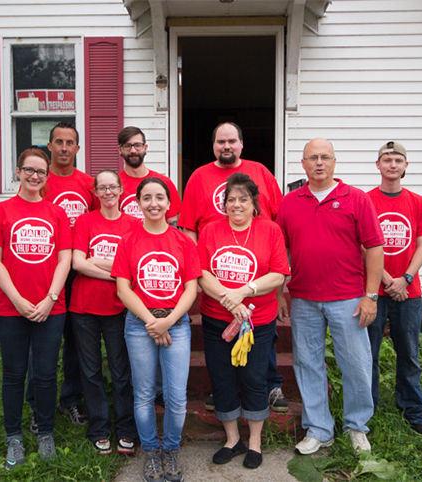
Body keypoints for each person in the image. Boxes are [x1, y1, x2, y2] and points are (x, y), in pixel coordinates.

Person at [276, 138, 384, 455]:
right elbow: (281, 248)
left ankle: (356, 427)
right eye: (313, 158)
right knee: (308, 364)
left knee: (356, 365)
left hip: (349, 298)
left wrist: (371, 296)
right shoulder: (290, 201)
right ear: (303, 164)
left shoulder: (356, 199)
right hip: (304, 299)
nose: (319, 163)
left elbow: (375, 249)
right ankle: (319, 429)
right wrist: (282, 288)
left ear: (334, 162)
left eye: (325, 157)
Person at [178, 121, 288, 414]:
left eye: (232, 141)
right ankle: (224, 389)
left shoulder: (260, 172)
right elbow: (189, 228)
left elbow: (276, 221)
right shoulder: (199, 177)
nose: (226, 146)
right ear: (213, 145)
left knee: (263, 336)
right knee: (218, 343)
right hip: (214, 272)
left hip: (258, 272)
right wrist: (196, 275)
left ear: (241, 144)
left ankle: (270, 385)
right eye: (220, 141)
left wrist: (278, 289)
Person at [0, 148, 71, 469]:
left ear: (47, 177)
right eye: (29, 170)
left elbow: (65, 259)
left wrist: (51, 298)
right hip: (9, 308)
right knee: (14, 375)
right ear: (18, 172)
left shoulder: (56, 213)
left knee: (45, 375)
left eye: (41, 172)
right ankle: (13, 436)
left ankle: (45, 432)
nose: (35, 176)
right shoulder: (1, 211)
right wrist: (17, 299)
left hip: (50, 309)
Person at [197, 173, 290, 469]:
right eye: (231, 200)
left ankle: (255, 442)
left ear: (254, 203)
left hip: (258, 322)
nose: (236, 205)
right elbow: (201, 272)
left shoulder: (271, 230)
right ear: (224, 204)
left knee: (253, 378)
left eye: (243, 200)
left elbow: (278, 274)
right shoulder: (211, 230)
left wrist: (244, 292)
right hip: (216, 322)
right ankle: (232, 439)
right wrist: (228, 299)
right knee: (222, 379)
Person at [112, 177, 201, 482]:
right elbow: (124, 289)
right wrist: (153, 321)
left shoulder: (183, 242)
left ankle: (171, 449)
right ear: (138, 203)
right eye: (147, 198)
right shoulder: (129, 241)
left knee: (176, 396)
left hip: (176, 323)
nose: (154, 203)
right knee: (144, 393)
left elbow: (191, 289)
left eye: (160, 197)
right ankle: (151, 452)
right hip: (139, 325)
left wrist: (168, 321)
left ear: (168, 203)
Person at [367, 141, 422, 436]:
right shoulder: (366, 200)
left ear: (405, 166)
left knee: (408, 352)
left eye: (398, 160)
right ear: (378, 166)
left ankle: (412, 409)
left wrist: (405, 279)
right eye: (387, 159)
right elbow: (363, 244)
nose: (392, 165)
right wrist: (386, 280)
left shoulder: (417, 202)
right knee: (368, 353)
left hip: (409, 293)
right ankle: (366, 410)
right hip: (374, 291)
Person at [69, 170, 140, 455]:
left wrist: (97, 261)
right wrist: (116, 273)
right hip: (84, 308)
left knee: (121, 371)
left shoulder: (134, 224)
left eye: (113, 187)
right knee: (91, 370)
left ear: (122, 190)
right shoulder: (85, 221)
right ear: (95, 193)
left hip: (119, 308)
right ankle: (98, 428)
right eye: (102, 188)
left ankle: (125, 428)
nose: (108, 192)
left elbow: (134, 266)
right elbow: (77, 263)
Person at [27, 122, 92, 432]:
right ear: (49, 146)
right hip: (44, 272)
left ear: (78, 149)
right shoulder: (40, 181)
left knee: (76, 343)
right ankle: (37, 402)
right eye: (59, 142)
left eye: (70, 143)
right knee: (41, 343)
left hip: (78, 274)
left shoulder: (88, 184)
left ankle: (71, 398)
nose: (65, 147)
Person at [117, 126, 182, 224]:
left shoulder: (164, 182)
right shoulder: (113, 186)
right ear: (120, 149)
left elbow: (173, 221)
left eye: (137, 145)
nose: (133, 150)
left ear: (145, 148)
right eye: (127, 146)